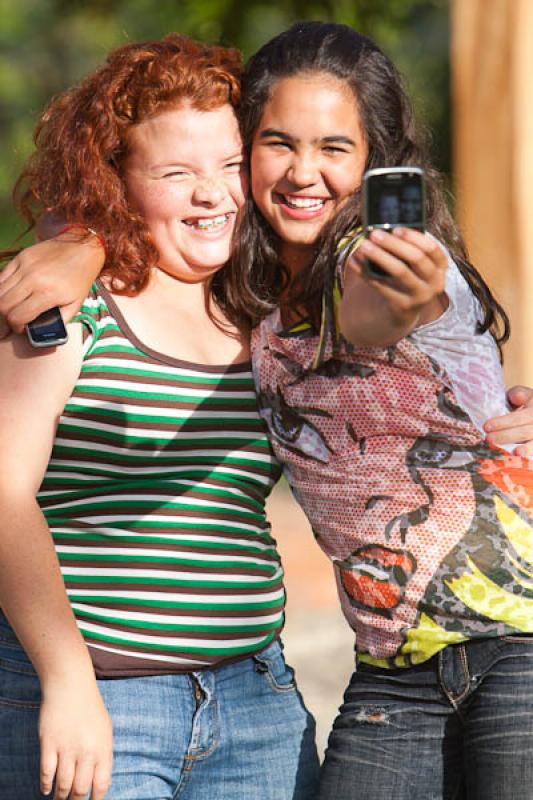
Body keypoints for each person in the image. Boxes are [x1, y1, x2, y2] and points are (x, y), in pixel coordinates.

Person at [3, 20, 533, 800]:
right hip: (316, 682)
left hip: (315, 690)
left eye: (226, 162)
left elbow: (371, 313)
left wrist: (403, 294)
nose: (295, 173)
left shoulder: (307, 283)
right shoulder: (164, 304)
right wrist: (74, 239)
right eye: (276, 144)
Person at [0, 33, 319, 800]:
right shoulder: (72, 306)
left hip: (257, 704)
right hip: (100, 704)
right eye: (176, 173)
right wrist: (69, 683)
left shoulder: (269, 310)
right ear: (117, 182)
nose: (212, 195)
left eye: (229, 166)